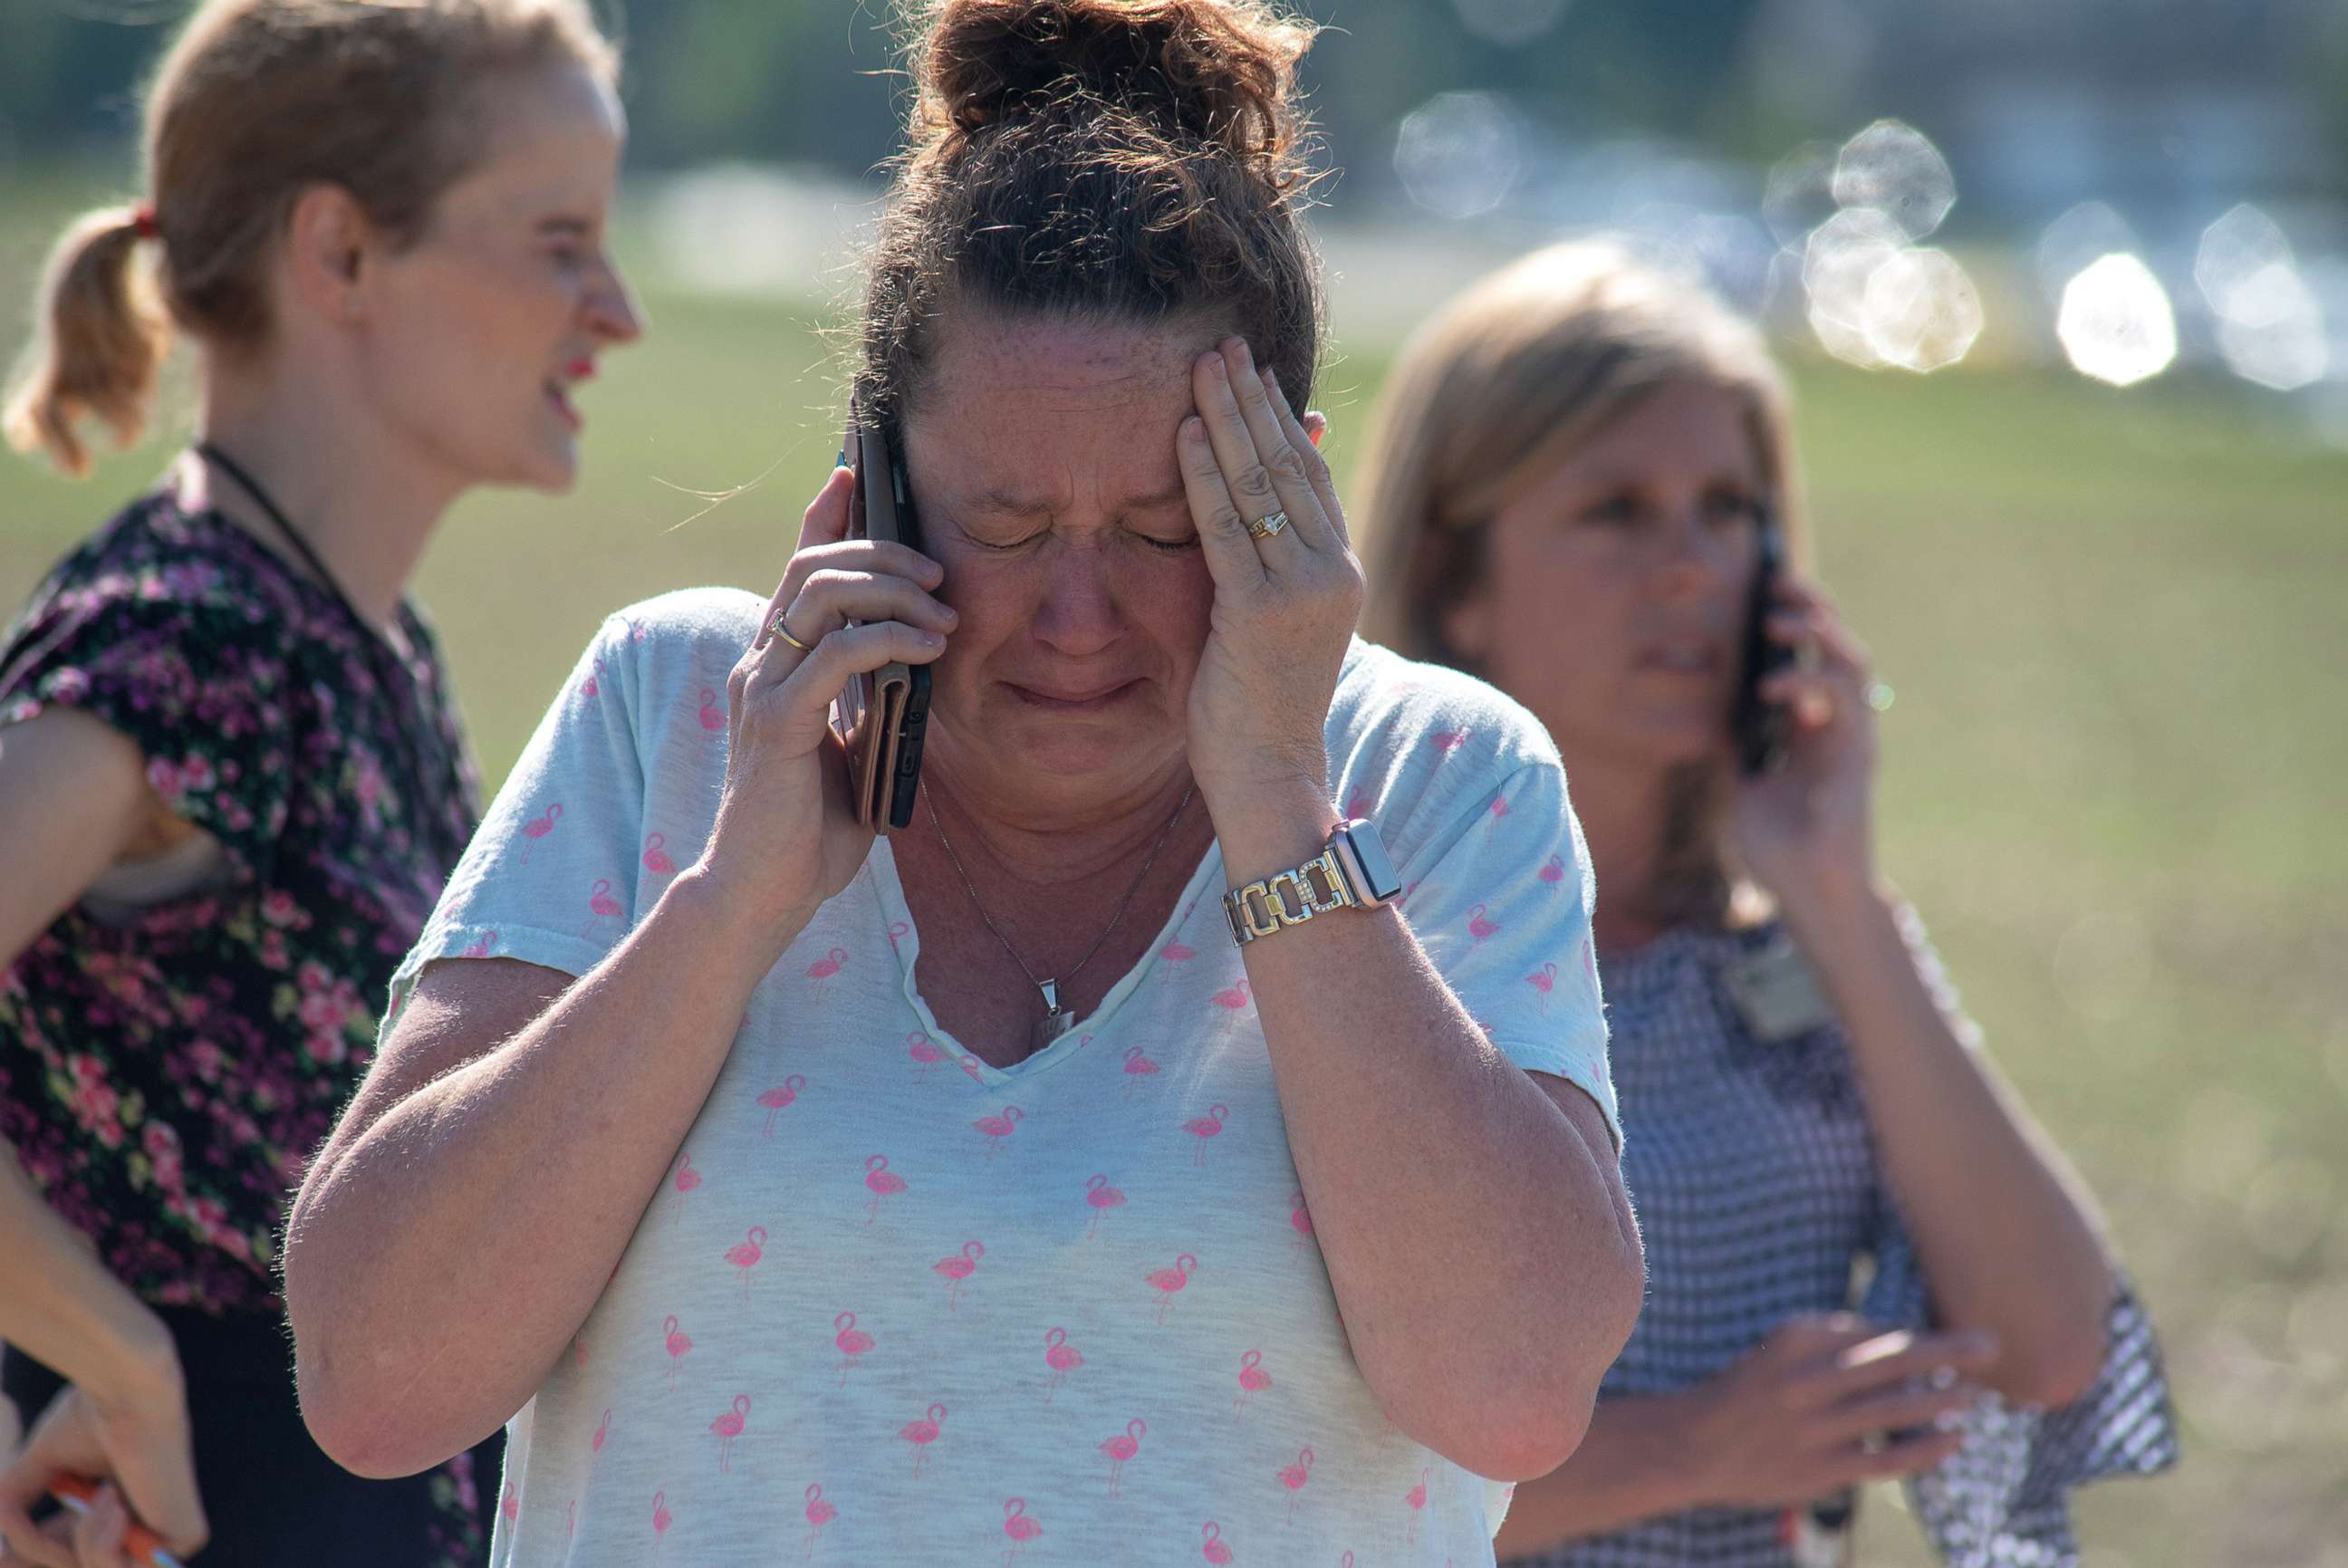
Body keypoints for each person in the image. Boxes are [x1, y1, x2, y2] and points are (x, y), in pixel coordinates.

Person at [281, 2, 1647, 1563]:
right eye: (1002, 525)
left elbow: (1514, 1388)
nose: (1079, 619)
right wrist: (733, 900)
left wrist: (1275, 796)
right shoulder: (680, 713)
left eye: (1161, 530)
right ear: (873, 491)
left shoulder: (1441, 778)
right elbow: (373, 1383)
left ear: (1292, 506)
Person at [1352, 240, 2179, 1568]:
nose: (1690, 568)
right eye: (1615, 510)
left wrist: (1839, 892)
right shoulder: (1352, 942)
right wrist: (1698, 1446)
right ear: (1458, 576)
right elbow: (1275, 1454)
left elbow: (2048, 1349)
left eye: (1728, 507)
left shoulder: (1795, 952)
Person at [0, 1, 643, 1563]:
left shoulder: (356, 645)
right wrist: (117, 1360)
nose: (614, 310)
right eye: (559, 241)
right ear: (342, 254)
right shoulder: (183, 644)